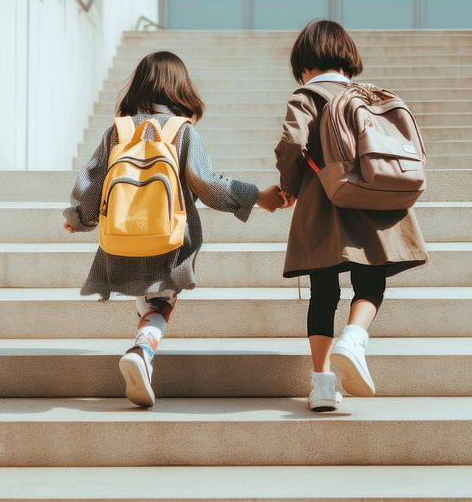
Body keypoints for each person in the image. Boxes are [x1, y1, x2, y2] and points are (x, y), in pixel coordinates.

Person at [63, 51, 287, 408]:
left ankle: (143, 349)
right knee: (160, 300)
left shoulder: (118, 130)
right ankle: (143, 350)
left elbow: (93, 182)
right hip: (169, 237)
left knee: (147, 293)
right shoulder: (182, 132)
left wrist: (78, 219)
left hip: (120, 237)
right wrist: (257, 196)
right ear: (182, 89)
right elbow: (208, 185)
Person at [275, 20, 428, 412]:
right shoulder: (371, 97)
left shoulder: (307, 95)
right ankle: (355, 337)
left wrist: (289, 186)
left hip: (325, 200)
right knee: (370, 282)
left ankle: (323, 385)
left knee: (323, 292)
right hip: (375, 200)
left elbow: (292, 143)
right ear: (348, 59)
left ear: (305, 64)